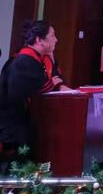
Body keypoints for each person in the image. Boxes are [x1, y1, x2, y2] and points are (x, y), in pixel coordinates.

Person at [0, 21, 70, 164]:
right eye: (52, 36)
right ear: (39, 40)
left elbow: (56, 80)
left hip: (22, 127)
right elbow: (27, 93)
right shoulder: (24, 61)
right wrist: (52, 84)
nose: (56, 39)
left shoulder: (38, 60)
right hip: (12, 129)